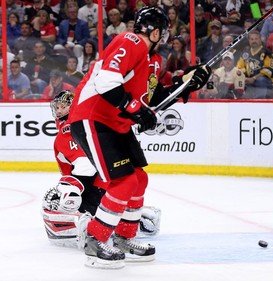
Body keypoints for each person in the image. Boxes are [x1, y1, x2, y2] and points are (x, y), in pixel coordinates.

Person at [68, 6, 211, 268]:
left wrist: (184, 85)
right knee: (122, 182)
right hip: (93, 118)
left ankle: (124, 237)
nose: (166, 36)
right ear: (155, 31)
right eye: (164, 32)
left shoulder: (151, 60)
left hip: (116, 124)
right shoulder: (130, 41)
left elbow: (152, 99)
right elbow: (107, 81)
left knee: (139, 180)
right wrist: (133, 109)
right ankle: (95, 240)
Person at [41, 90, 162, 248]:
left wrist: (69, 191)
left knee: (56, 200)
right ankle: (134, 216)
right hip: (109, 187)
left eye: (62, 107)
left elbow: (86, 164)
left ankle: (91, 225)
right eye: (56, 107)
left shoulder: (68, 130)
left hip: (96, 189)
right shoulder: (83, 125)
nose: (58, 111)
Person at [236, 30, 273, 99]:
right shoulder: (245, 53)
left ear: (260, 39)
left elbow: (268, 70)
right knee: (238, 80)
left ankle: (260, 102)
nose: (254, 41)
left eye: (256, 39)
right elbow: (239, 68)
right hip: (248, 80)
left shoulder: (267, 52)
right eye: (252, 39)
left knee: (261, 80)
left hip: (266, 81)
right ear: (249, 40)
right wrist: (245, 78)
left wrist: (254, 78)